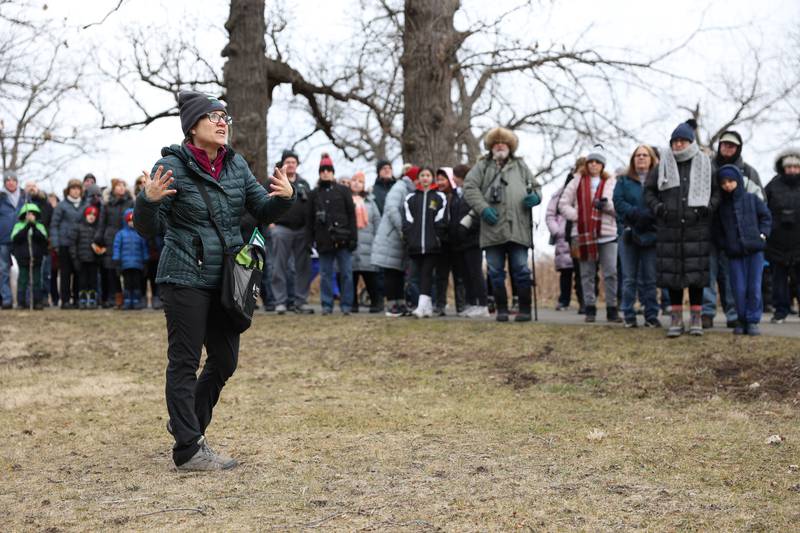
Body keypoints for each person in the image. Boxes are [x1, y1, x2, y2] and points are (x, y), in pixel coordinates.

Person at [134, 90, 295, 471]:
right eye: (214, 117)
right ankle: (188, 449)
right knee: (184, 361)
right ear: (193, 127)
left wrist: (286, 198)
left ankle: (185, 422)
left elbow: (262, 208)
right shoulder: (170, 166)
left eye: (226, 118)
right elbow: (148, 229)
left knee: (224, 359)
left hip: (227, 277)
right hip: (184, 275)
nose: (223, 123)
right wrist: (148, 201)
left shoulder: (236, 166)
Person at [645, 120, 719, 337]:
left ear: (690, 142)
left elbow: (716, 193)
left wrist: (708, 208)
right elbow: (648, 192)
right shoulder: (663, 165)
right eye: (675, 141)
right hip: (669, 229)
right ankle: (676, 319)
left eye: (683, 141)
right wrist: (659, 209)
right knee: (673, 274)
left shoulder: (706, 163)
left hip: (697, 228)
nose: (678, 145)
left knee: (696, 275)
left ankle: (696, 318)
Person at [463, 127, 542, 322]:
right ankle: (502, 310)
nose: (500, 146)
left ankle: (524, 310)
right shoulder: (482, 166)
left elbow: (536, 187)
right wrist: (482, 208)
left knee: (521, 269)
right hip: (492, 228)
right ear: (491, 146)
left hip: (519, 227)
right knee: (495, 271)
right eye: (496, 143)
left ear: (509, 146)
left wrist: (535, 197)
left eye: (503, 142)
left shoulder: (521, 166)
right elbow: (469, 187)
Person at [703, 130, 764, 329]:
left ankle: (734, 313)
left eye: (732, 146)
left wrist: (757, 232)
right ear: (719, 146)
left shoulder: (748, 171)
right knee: (708, 274)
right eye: (724, 145)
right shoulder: (708, 168)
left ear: (738, 148)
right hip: (710, 229)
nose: (727, 148)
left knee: (732, 277)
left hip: (737, 236)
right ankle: (707, 312)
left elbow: (760, 202)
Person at [559, 149, 620, 323]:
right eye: (591, 161)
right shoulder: (576, 181)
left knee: (611, 272)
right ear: (587, 164)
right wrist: (580, 215)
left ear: (602, 166)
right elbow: (563, 204)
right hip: (582, 232)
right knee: (586, 273)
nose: (594, 165)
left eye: (597, 162)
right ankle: (590, 308)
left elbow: (618, 207)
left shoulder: (611, 181)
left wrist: (606, 206)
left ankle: (612, 308)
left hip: (607, 233)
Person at [713, 165, 771, 335]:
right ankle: (741, 319)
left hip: (755, 251)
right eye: (723, 182)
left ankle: (752, 320)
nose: (727, 185)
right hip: (734, 254)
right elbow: (717, 230)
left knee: (754, 286)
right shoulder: (721, 207)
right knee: (737, 288)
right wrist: (725, 244)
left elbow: (766, 216)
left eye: (730, 181)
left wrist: (762, 235)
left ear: (738, 180)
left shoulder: (752, 199)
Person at [613, 145, 660, 328]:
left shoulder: (658, 180)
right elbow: (618, 201)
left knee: (650, 278)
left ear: (651, 159)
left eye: (645, 155)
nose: (641, 158)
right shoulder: (623, 180)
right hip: (629, 233)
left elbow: (662, 201)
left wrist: (649, 216)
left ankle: (651, 315)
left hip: (651, 233)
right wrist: (634, 214)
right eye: (638, 155)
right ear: (633, 159)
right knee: (629, 278)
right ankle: (629, 314)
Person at [307, 153, 357, 315]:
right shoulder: (314, 194)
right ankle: (327, 305)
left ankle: (346, 306)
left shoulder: (343, 191)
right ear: (319, 173)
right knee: (326, 274)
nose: (326, 173)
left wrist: (353, 238)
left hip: (343, 239)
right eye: (323, 170)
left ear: (333, 172)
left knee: (347, 274)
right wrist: (310, 241)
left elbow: (351, 215)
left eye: (328, 170)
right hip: (323, 240)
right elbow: (309, 220)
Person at [371, 166, 419, 316]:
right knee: (391, 272)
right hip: (391, 237)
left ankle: (400, 304)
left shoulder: (409, 189)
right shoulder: (400, 187)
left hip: (399, 239)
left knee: (398, 272)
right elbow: (392, 209)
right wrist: (403, 229)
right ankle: (392, 305)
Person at [270, 149, 313, 314]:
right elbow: (263, 199)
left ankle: (300, 302)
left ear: (297, 165)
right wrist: (271, 223)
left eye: (293, 162)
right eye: (288, 162)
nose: (291, 165)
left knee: (303, 267)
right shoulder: (275, 180)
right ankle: (280, 302)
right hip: (281, 229)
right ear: (283, 164)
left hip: (302, 230)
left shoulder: (304, 183)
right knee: (279, 266)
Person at [402, 167, 447, 318]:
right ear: (418, 178)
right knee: (415, 276)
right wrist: (410, 238)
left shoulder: (439, 197)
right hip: (415, 245)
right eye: (422, 175)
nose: (425, 178)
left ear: (432, 178)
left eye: (428, 175)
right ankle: (426, 307)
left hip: (432, 244)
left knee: (427, 274)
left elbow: (441, 219)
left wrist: (437, 237)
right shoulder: (411, 198)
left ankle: (421, 307)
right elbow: (407, 222)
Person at [764, 148, 800, 324]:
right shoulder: (773, 185)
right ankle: (780, 311)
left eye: (796, 166)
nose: (792, 170)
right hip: (777, 242)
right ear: (783, 168)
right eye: (789, 166)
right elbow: (763, 209)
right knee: (778, 280)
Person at [449, 164, 488, 318]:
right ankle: (472, 303)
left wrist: (467, 229)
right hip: (460, 243)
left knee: (475, 273)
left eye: (455, 176)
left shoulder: (473, 192)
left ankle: (483, 304)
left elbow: (478, 214)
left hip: (473, 241)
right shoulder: (456, 195)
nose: (453, 178)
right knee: (466, 275)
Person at [94, 178, 134, 308]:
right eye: (118, 186)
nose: (121, 187)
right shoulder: (107, 204)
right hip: (110, 238)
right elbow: (102, 223)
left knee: (127, 268)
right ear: (113, 188)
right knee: (112, 270)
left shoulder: (131, 202)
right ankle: (115, 298)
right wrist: (99, 239)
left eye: (123, 185)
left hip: (128, 238)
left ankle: (130, 297)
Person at [432, 167, 465, 316]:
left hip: (456, 241)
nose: (440, 182)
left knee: (459, 275)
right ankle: (440, 304)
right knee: (441, 276)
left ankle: (461, 305)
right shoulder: (434, 198)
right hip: (441, 242)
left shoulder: (456, 196)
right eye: (438, 179)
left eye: (443, 179)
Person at [546, 170, 579, 312]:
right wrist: (557, 231)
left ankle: (585, 302)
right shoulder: (559, 194)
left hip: (579, 234)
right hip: (563, 238)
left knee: (582, 271)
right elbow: (550, 214)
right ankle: (564, 301)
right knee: (565, 271)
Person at [349, 171, 381, 312]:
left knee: (371, 277)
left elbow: (377, 222)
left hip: (368, 245)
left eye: (360, 181)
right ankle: (352, 303)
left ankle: (376, 302)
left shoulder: (371, 202)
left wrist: (377, 242)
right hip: (351, 245)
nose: (357, 183)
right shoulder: (345, 199)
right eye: (354, 180)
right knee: (351, 277)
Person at [51, 179, 85, 309]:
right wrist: (56, 243)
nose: (76, 191)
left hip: (79, 245)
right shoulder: (62, 206)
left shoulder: (84, 204)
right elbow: (54, 225)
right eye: (73, 188)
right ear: (68, 190)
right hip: (64, 244)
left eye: (78, 188)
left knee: (78, 272)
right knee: (65, 273)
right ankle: (65, 300)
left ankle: (77, 299)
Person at [10, 203, 48, 310]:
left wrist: (34, 227)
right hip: (23, 258)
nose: (30, 216)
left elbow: (43, 239)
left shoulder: (40, 226)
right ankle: (21, 302)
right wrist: (27, 227)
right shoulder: (18, 226)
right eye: (28, 214)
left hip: (37, 258)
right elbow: (15, 238)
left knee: (37, 280)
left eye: (32, 214)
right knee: (22, 280)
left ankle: (37, 302)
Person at [113, 208, 149, 310]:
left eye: (133, 221)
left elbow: (144, 248)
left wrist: (145, 260)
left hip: (137, 265)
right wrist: (117, 261)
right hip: (125, 265)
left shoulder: (140, 234)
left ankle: (137, 301)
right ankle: (128, 301)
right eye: (129, 221)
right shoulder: (120, 234)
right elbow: (117, 247)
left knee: (137, 284)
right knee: (127, 283)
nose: (131, 223)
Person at [69, 205, 102, 309]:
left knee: (93, 281)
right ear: (85, 216)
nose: (91, 217)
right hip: (81, 260)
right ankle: (82, 299)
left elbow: (101, 244)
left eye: (94, 215)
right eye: (89, 214)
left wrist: (98, 255)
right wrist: (75, 258)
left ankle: (92, 299)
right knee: (82, 281)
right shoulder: (79, 228)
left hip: (93, 260)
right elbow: (73, 244)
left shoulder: (97, 229)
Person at [0, 173, 23, 309]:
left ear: (17, 182)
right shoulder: (1, 197)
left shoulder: (25, 196)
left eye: (13, 180)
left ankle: (21, 300)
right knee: (3, 270)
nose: (10, 183)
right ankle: (6, 299)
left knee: (23, 269)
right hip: (3, 238)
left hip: (20, 238)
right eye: (7, 180)